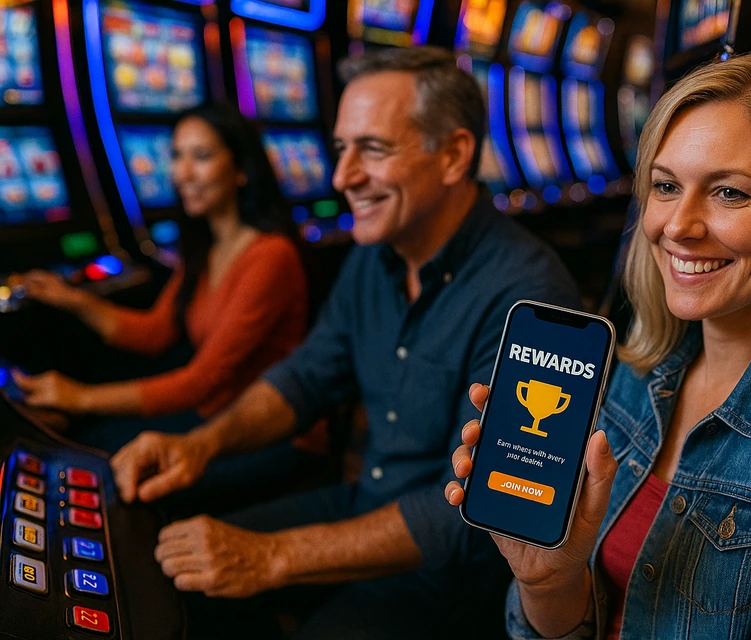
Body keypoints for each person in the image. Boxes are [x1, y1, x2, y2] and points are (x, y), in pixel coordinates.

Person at [110, 47, 580, 639]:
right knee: (161, 574)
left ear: (455, 155)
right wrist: (200, 445)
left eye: (373, 149)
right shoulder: (374, 253)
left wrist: (271, 557)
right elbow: (308, 376)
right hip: (368, 501)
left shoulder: (535, 298)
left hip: (460, 572)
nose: (341, 178)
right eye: (340, 149)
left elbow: (481, 513)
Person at [446, 53, 751, 639]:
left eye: (729, 193)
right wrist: (547, 583)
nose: (678, 225)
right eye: (666, 186)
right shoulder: (634, 370)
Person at [12, 105, 308, 454]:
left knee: (89, 451)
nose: (183, 173)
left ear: (241, 169)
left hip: (267, 431)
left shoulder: (271, 255)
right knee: (77, 439)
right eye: (176, 156)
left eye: (202, 156)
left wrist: (79, 397)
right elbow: (155, 333)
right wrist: (75, 300)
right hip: (215, 413)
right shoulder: (208, 246)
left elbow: (201, 382)